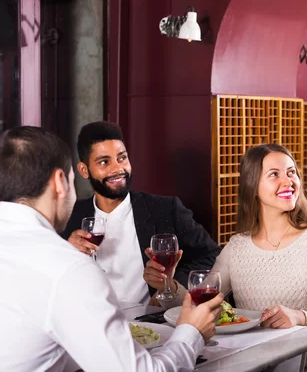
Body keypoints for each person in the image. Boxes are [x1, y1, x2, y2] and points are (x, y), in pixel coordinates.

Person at [0, 126, 224, 372]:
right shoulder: (68, 267)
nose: (117, 167)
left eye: (122, 157)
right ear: (62, 181)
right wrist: (192, 331)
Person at [179, 144, 307, 371]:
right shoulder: (237, 246)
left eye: (291, 172)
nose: (288, 181)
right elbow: (202, 301)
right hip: (254, 365)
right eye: (274, 175)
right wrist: (167, 285)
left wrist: (300, 318)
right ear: (253, 187)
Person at [62, 121, 221, 305]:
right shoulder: (70, 216)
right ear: (84, 170)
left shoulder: (166, 209)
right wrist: (65, 253)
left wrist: (170, 285)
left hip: (151, 325)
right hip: (91, 323)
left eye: (122, 158)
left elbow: (212, 256)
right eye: (104, 162)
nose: (118, 169)